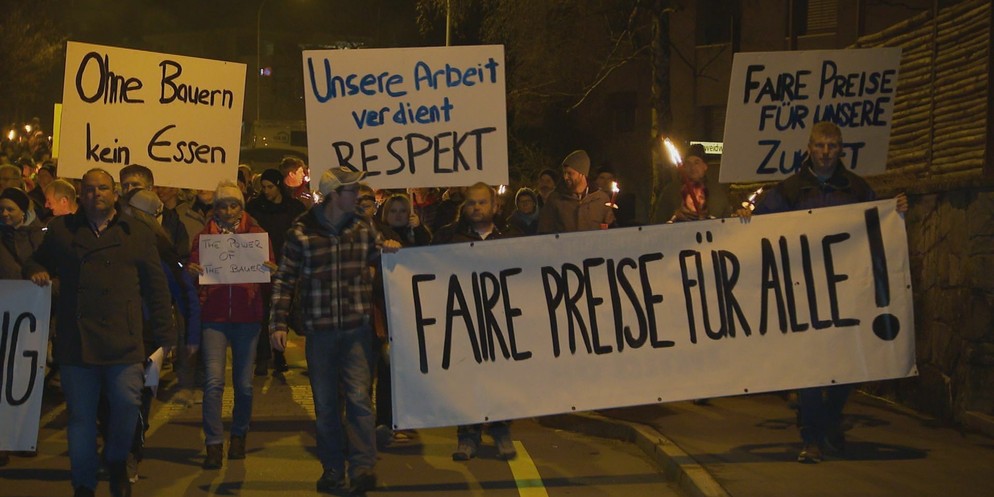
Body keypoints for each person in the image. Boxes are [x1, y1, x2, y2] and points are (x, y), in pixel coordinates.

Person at [738, 121, 908, 464]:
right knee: (812, 368)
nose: (826, 152)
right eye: (820, 146)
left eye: (832, 146)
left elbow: (879, 227)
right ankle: (813, 438)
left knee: (847, 368)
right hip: (805, 294)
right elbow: (762, 224)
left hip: (847, 295)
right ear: (809, 148)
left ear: (841, 149)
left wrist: (897, 214)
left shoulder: (858, 190)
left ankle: (828, 422)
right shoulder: (790, 191)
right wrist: (746, 217)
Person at [24, 168, 175, 497]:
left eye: (103, 189)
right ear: (81, 196)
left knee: (126, 405)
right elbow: (35, 261)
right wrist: (36, 270)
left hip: (125, 341)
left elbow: (156, 289)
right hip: (78, 342)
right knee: (80, 418)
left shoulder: (136, 233)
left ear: (115, 193)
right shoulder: (63, 231)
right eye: (90, 190)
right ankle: (83, 484)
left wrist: (166, 338)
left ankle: (118, 459)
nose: (97, 195)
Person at [269, 167, 400, 496]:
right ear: (332, 195)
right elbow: (285, 279)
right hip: (321, 331)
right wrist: (278, 323)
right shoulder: (301, 232)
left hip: (356, 328)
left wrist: (389, 249)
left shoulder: (363, 227)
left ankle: (362, 468)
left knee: (359, 399)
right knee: (327, 405)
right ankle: (332, 469)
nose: (357, 196)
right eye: (351, 190)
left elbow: (378, 254)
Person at [187, 181, 275, 470]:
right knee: (213, 382)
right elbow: (192, 271)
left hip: (247, 316)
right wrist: (193, 271)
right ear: (215, 208)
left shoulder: (257, 235)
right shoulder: (204, 238)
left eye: (233, 204)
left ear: (241, 206)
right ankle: (213, 443)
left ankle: (238, 434)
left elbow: (271, 270)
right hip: (214, 316)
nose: (228, 210)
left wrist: (271, 269)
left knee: (245, 385)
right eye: (222, 205)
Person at [432, 182, 521, 461]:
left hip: (501, 321)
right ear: (464, 205)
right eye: (472, 203)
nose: (477, 208)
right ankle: (468, 436)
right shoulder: (448, 237)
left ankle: (500, 430)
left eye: (483, 202)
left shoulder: (511, 239)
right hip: (463, 320)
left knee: (501, 376)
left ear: (495, 206)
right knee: (466, 378)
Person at [372, 194, 431, 445]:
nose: (397, 215)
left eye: (402, 210)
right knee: (387, 369)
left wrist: (420, 232)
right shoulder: (380, 236)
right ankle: (386, 421)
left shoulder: (415, 234)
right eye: (393, 210)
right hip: (388, 308)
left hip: (411, 308)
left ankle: (402, 419)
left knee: (406, 368)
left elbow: (428, 255)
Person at [245, 168, 305, 376]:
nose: (267, 191)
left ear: (279, 185)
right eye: (263, 187)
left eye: (270, 186)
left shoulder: (294, 208)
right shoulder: (255, 207)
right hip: (261, 265)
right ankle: (262, 357)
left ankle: (279, 353)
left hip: (286, 263)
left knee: (281, 309)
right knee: (262, 311)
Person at [538, 150, 615, 234]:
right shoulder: (555, 199)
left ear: (582, 173)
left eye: (570, 173)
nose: (566, 177)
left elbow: (610, 229)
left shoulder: (601, 199)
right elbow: (544, 231)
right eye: (564, 173)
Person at [669, 144, 712, 222]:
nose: (692, 167)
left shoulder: (717, 193)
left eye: (696, 163)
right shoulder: (670, 192)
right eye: (688, 163)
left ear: (705, 166)